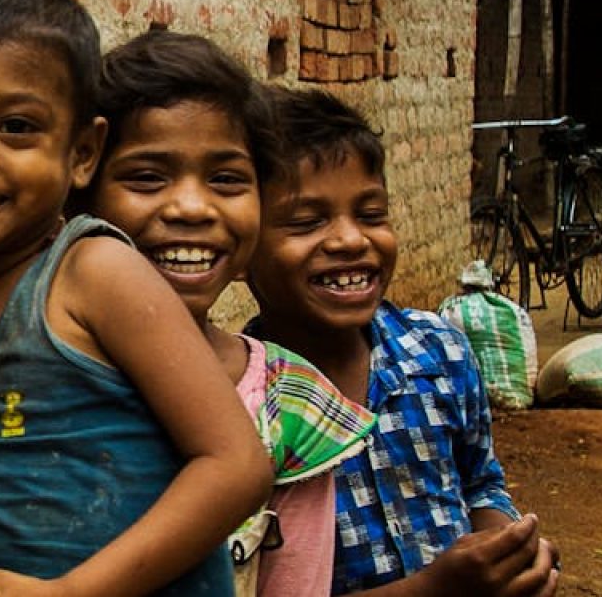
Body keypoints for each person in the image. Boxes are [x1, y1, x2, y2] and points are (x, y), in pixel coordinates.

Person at [0, 0, 273, 595]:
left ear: (83, 153)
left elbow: (237, 468)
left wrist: (74, 592)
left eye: (15, 127)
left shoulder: (94, 273)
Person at [71, 31, 377, 597]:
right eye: (146, 177)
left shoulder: (287, 405)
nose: (191, 207)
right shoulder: (33, 371)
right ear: (81, 190)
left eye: (227, 179)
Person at [244, 87, 559, 597]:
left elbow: (479, 480)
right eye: (307, 221)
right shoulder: (246, 408)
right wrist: (437, 589)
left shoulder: (439, 351)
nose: (350, 240)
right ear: (241, 248)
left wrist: (509, 552)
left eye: (370, 214)